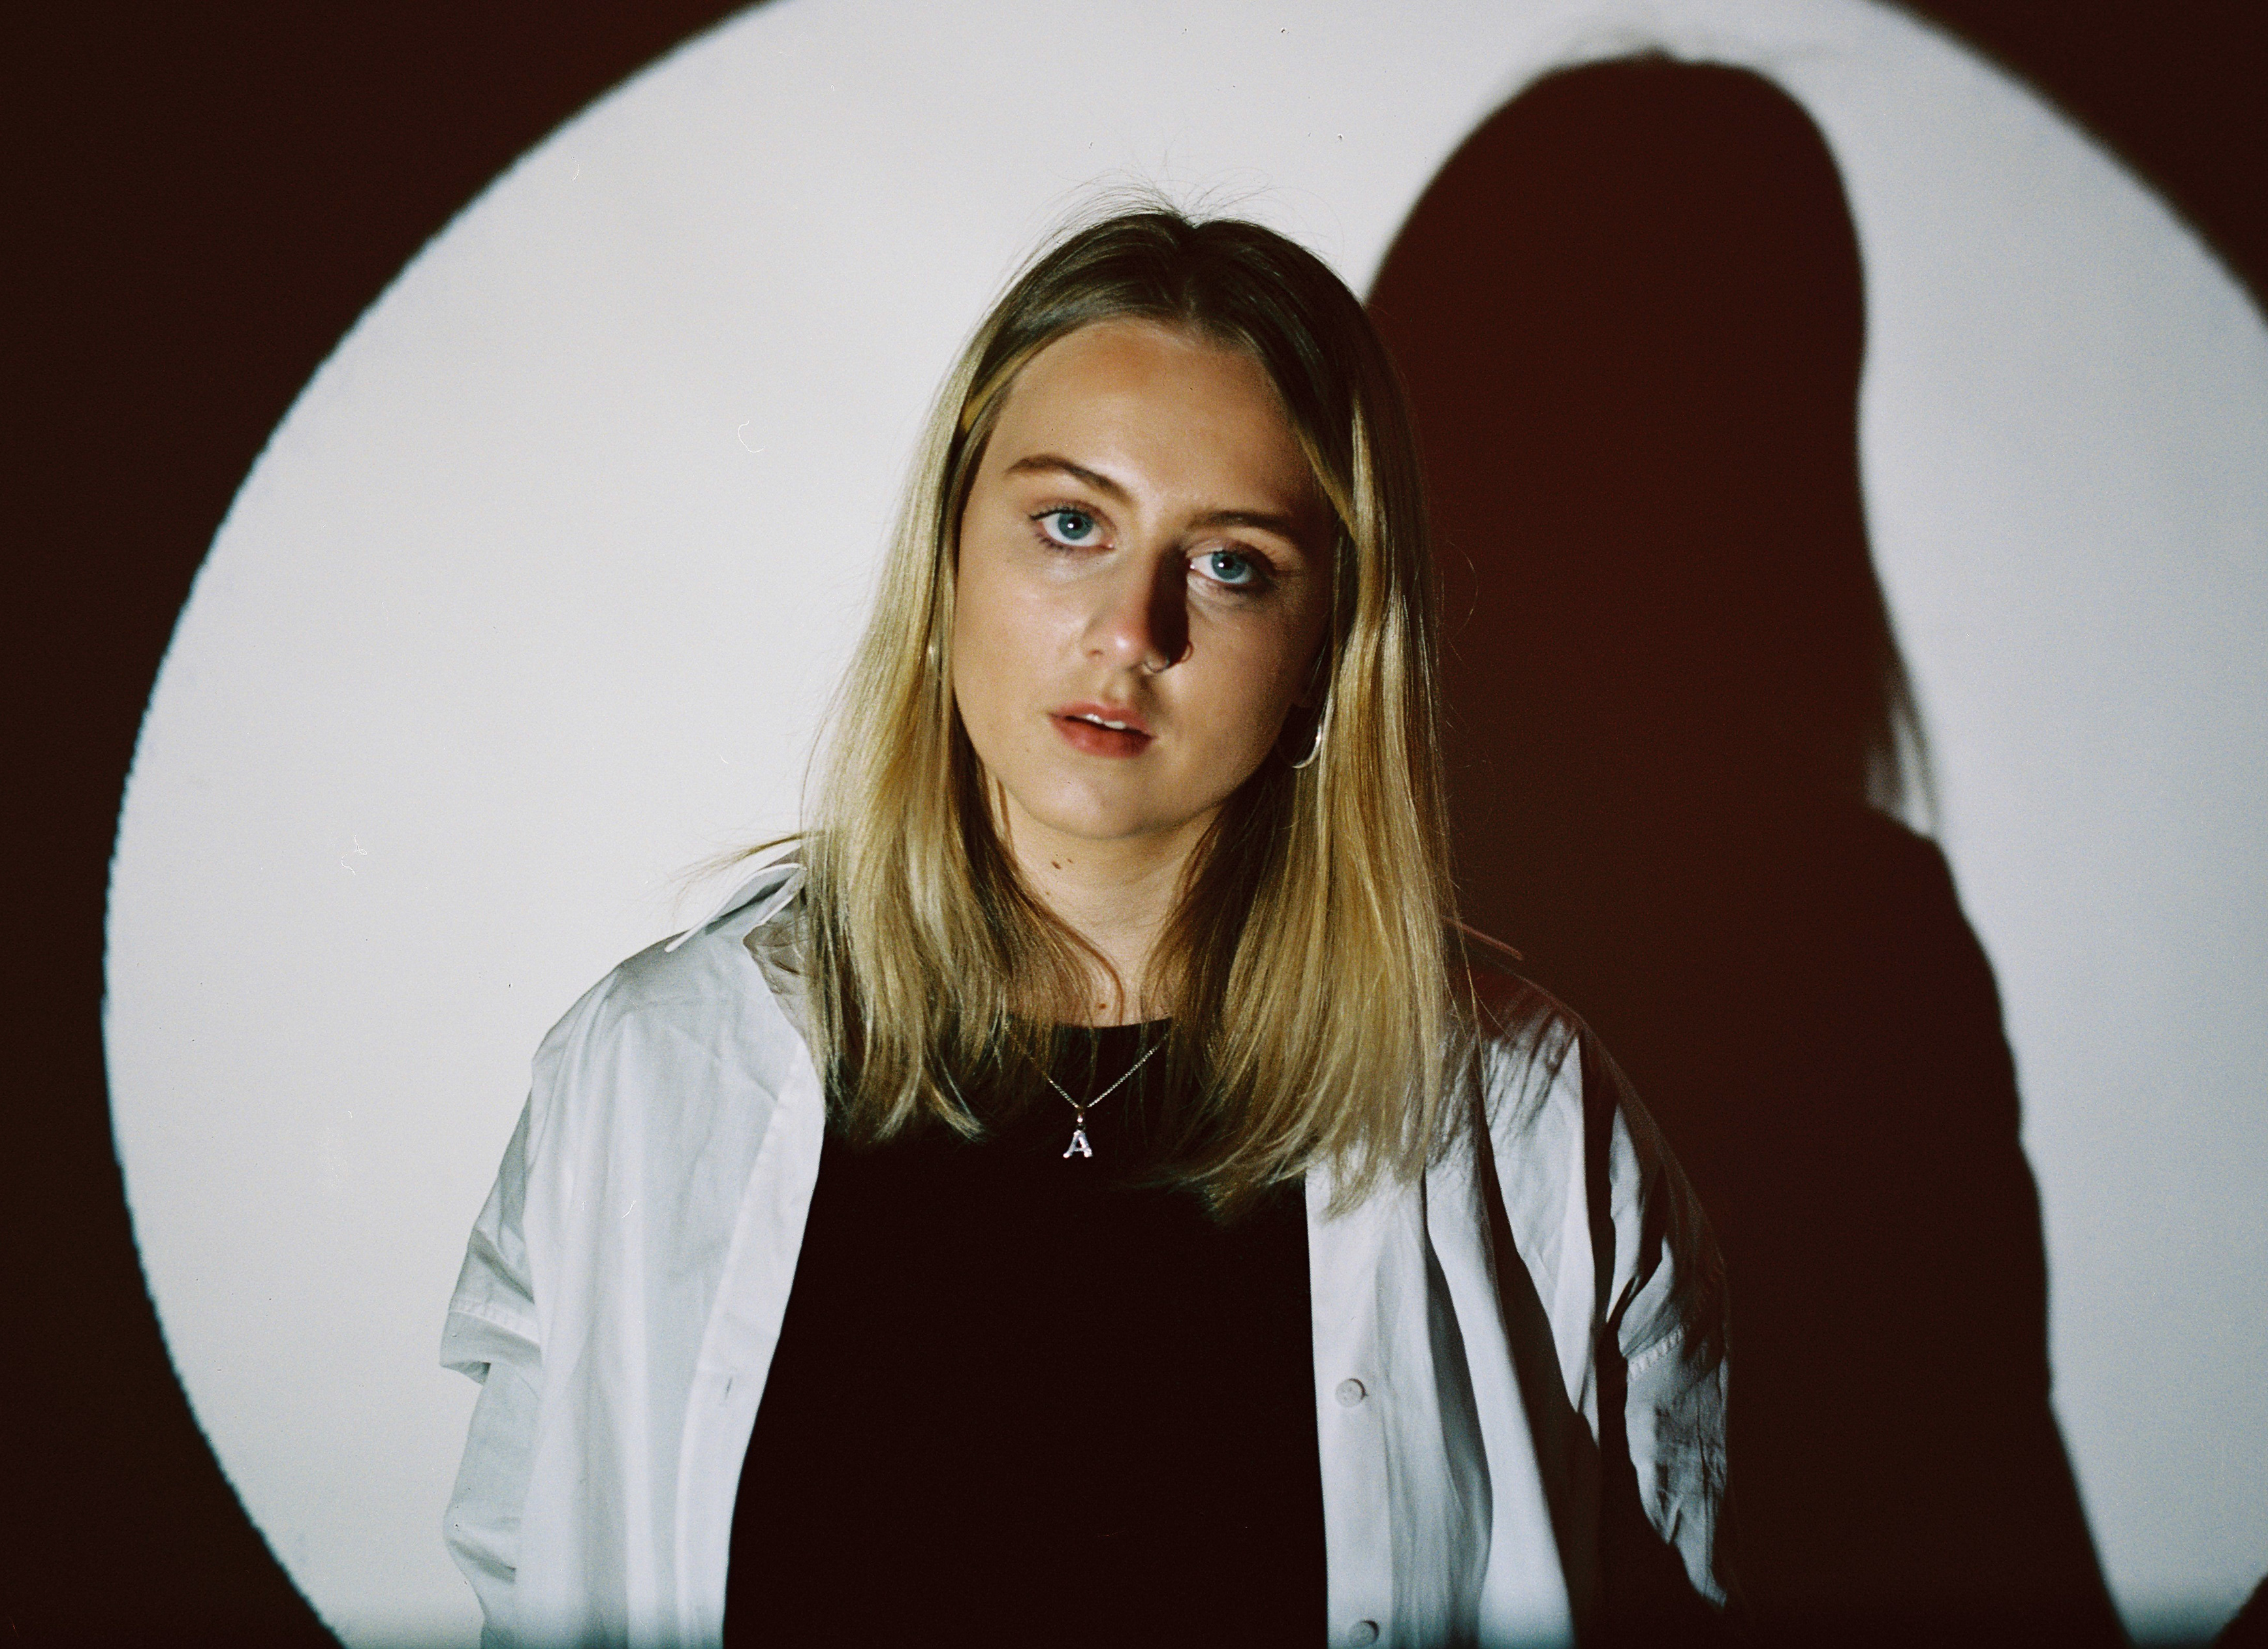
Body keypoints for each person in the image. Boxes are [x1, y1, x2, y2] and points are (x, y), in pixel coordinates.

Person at [439, 206, 1728, 1648]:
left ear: (1328, 647)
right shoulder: (649, 1071)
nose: (1132, 629)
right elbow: (530, 1576)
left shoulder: (1526, 1115)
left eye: (1232, 562)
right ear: (948, 560)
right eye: (1071, 525)